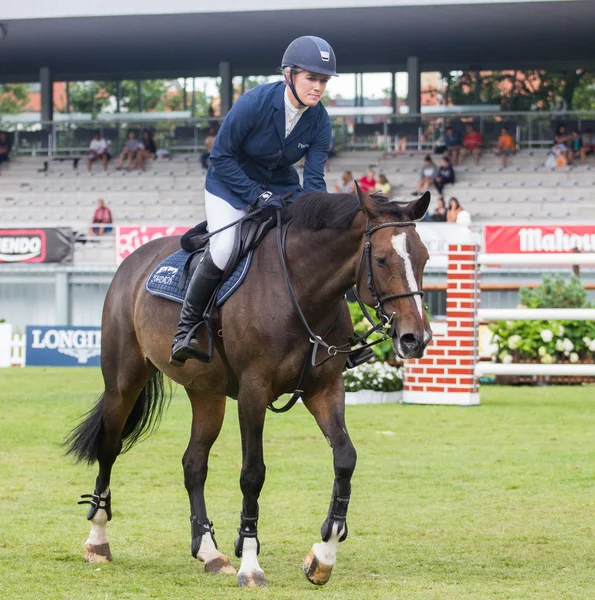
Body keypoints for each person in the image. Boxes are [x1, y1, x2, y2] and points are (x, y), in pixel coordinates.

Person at [170, 35, 337, 366]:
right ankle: (186, 329)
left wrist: (315, 217)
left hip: (281, 188)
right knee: (223, 248)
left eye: (323, 80)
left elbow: (314, 181)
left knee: (320, 243)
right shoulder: (253, 103)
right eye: (311, 78)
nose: (318, 87)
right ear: (289, 74)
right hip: (229, 185)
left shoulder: (320, 120)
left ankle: (335, 335)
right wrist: (256, 196)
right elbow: (220, 158)